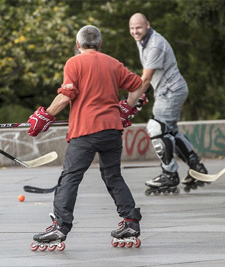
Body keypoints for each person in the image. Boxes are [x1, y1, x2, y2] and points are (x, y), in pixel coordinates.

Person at [27, 25, 144, 251]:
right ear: (100, 44)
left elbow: (65, 96)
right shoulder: (113, 63)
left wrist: (44, 116)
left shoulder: (74, 62)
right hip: (112, 130)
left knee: (70, 177)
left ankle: (60, 226)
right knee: (113, 176)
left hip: (86, 131)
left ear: (77, 44)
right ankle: (130, 221)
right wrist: (127, 109)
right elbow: (138, 86)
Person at [128, 13, 208, 194]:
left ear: (148, 25)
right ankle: (196, 167)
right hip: (169, 90)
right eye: (132, 28)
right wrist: (142, 96)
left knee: (156, 128)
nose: (135, 31)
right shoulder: (143, 42)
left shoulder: (155, 44)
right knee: (169, 130)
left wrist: (129, 104)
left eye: (138, 27)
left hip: (170, 91)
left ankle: (169, 173)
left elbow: (146, 78)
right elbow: (149, 76)